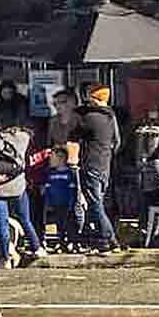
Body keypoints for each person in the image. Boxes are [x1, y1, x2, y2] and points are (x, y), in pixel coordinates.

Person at [0, 123, 43, 268]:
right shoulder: (24, 138)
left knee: (2, 223)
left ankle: (5, 259)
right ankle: (37, 248)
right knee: (25, 220)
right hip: (18, 187)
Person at [75, 86, 121, 254]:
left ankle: (110, 239)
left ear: (94, 98)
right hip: (105, 164)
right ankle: (94, 236)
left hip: (91, 163)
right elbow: (117, 142)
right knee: (98, 201)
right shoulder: (110, 116)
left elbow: (75, 134)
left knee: (95, 203)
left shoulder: (88, 117)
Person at [41, 146, 80, 252]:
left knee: (69, 223)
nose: (50, 160)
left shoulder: (69, 173)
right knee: (59, 224)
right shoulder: (50, 173)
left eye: (53, 157)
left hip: (67, 204)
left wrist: (72, 203)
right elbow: (47, 189)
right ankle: (61, 242)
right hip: (55, 203)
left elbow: (73, 190)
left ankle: (73, 242)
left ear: (61, 158)